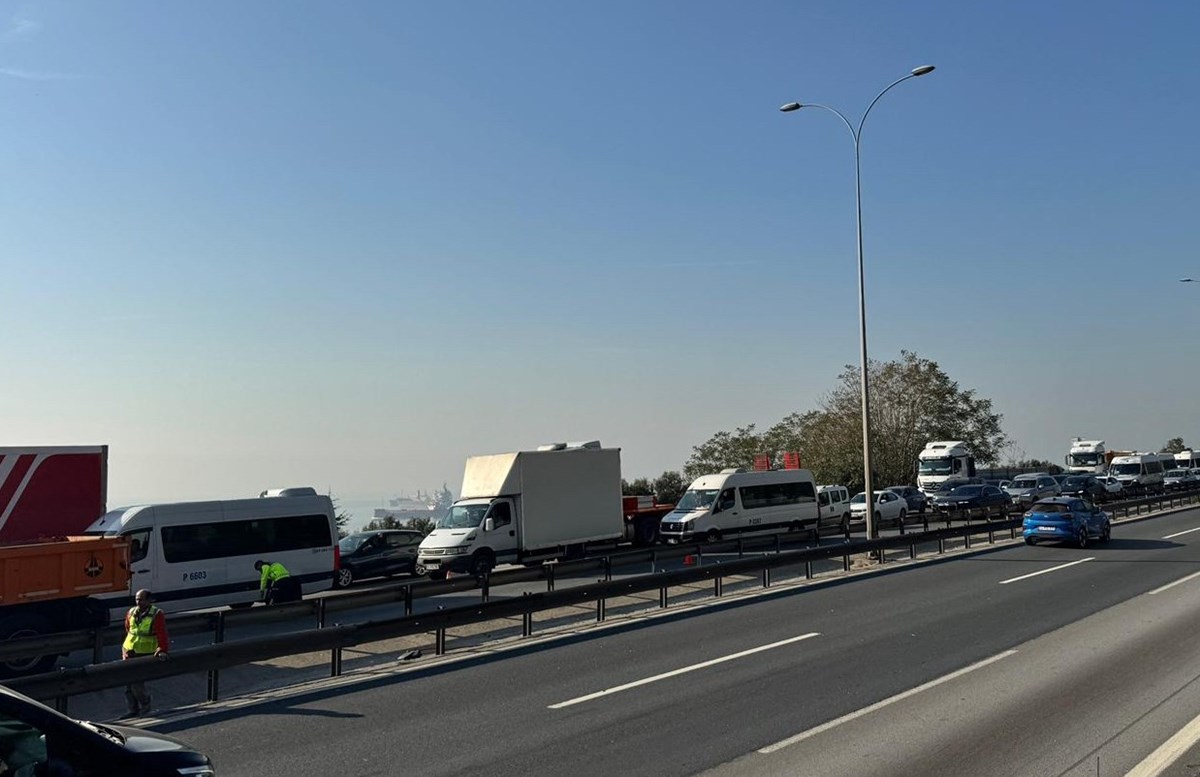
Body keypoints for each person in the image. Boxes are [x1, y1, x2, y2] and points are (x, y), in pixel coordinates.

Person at [122, 589, 168, 717]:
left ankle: (145, 705)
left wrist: (162, 649)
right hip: (129, 651)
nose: (138, 602)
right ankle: (132, 710)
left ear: (149, 600)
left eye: (141, 599)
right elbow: (128, 629)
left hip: (144, 652)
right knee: (128, 684)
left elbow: (162, 633)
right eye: (137, 599)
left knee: (137, 683)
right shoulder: (131, 612)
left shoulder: (156, 614)